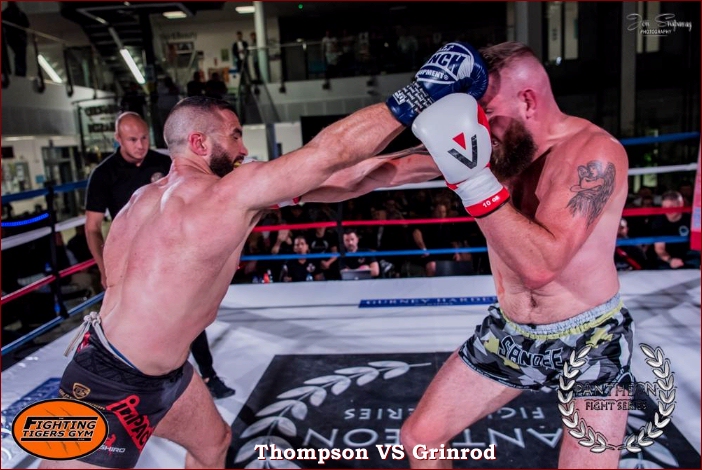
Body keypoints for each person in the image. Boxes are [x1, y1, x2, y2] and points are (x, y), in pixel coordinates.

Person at [42, 42, 488, 469]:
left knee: (214, 443)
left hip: (156, 367)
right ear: (199, 143)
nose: (243, 150)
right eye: (235, 136)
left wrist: (451, 157)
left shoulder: (142, 200)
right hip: (107, 383)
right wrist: (422, 91)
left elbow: (351, 178)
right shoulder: (230, 194)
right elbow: (328, 154)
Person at [302, 41, 633, 468]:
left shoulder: (594, 154)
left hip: (592, 339)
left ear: (528, 101)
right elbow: (376, 173)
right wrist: (276, 191)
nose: (478, 124)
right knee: (421, 438)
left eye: (487, 112)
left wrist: (473, 181)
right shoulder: (495, 146)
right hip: (513, 333)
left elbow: (539, 266)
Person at [83, 112, 236, 401]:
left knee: (186, 313)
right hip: (129, 261)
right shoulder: (104, 174)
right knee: (131, 324)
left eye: (144, 138)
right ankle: (129, 389)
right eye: (132, 139)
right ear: (118, 139)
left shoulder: (165, 162)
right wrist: (104, 268)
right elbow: (92, 227)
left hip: (171, 251)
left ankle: (208, 374)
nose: (140, 145)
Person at [651, 190, 700, 269]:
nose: (668, 211)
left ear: (680, 204)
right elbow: (659, 248)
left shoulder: (691, 220)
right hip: (667, 259)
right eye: (665, 207)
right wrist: (670, 260)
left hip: (690, 257)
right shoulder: (659, 222)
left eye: (671, 207)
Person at [2, 2, 29, 77]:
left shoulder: (6, 13)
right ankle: (20, 73)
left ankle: (19, 72)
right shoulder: (19, 13)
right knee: (20, 56)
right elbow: (26, 24)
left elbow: (26, 24)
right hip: (17, 37)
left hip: (13, 37)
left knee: (19, 56)